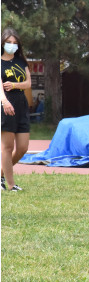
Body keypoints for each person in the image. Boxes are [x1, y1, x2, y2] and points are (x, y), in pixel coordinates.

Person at [1, 28, 31, 192]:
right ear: (3, 43)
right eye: (9, 43)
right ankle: (10, 185)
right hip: (6, 104)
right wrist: (4, 101)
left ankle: (0, 175)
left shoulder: (21, 62)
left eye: (15, 43)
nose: (12, 46)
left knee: (22, 148)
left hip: (21, 103)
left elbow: (28, 84)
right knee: (7, 147)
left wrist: (14, 85)